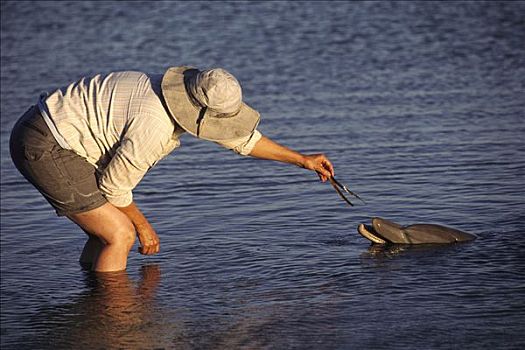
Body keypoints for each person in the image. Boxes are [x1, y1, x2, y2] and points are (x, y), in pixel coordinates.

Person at [10, 66, 335, 272]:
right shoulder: (153, 126)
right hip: (47, 145)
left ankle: (93, 294)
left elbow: (242, 139)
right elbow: (115, 187)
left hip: (54, 132)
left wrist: (301, 159)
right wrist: (144, 227)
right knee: (120, 234)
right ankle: (116, 322)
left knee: (105, 231)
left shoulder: (169, 94)